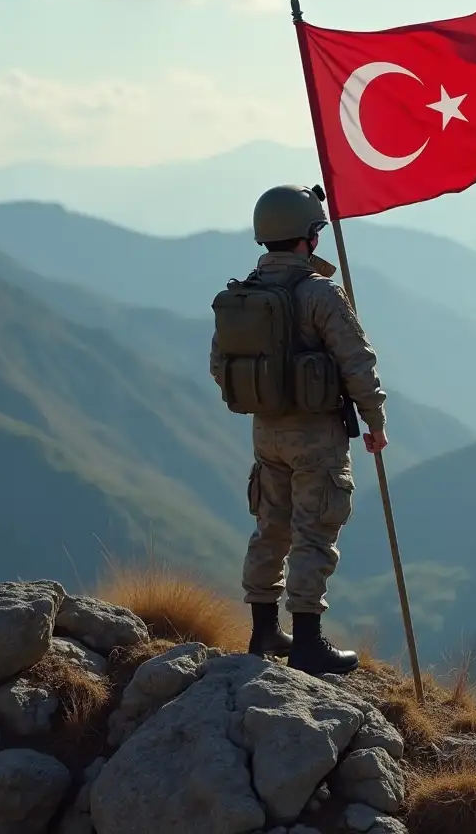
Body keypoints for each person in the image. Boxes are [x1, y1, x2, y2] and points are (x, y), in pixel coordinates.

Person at [209, 184, 388, 676]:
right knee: (315, 531)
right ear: (307, 236)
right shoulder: (319, 294)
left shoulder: (244, 294)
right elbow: (357, 360)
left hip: (265, 432)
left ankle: (264, 629)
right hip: (316, 434)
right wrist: (374, 419)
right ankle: (308, 642)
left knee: (271, 526)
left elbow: (218, 364)